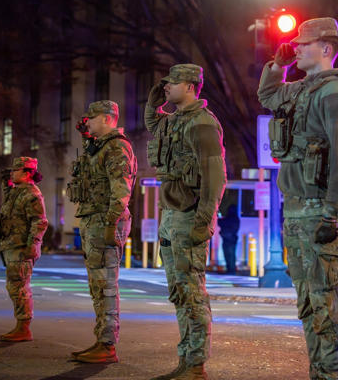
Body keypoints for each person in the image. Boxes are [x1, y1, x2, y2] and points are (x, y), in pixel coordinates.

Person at [257, 17, 338, 380]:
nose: (297, 48)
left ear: (326, 49)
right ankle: (319, 373)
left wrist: (332, 214)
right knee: (308, 304)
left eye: (304, 44)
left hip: (321, 213)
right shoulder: (300, 89)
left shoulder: (336, 95)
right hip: (298, 211)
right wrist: (277, 65)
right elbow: (267, 95)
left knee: (326, 306)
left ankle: (334, 375)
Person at [146, 64, 227, 380]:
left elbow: (215, 176)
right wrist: (154, 102)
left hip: (189, 214)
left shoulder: (202, 124)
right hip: (170, 215)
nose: (167, 87)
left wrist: (205, 220)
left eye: (173, 83)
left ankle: (195, 363)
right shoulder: (174, 121)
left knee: (191, 291)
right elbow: (153, 122)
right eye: (165, 83)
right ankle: (187, 358)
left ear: (192, 86)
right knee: (178, 289)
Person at [67, 100, 137, 363]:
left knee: (106, 284)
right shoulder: (99, 147)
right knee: (97, 284)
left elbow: (121, 192)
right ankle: (101, 340)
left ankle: (107, 344)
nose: (87, 122)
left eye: (91, 118)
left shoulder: (117, 147)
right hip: (93, 220)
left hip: (105, 222)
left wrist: (110, 224)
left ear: (107, 118)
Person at [0, 156, 48, 342]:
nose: (12, 173)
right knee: (14, 285)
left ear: (27, 173)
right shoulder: (17, 191)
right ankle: (21, 325)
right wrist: (5, 182)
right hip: (11, 244)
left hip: (21, 246)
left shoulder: (32, 194)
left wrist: (33, 245)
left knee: (19, 287)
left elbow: (39, 222)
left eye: (16, 170)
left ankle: (23, 327)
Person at [217, 204, 239, 274]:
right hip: (232, 239)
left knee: (228, 255)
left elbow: (220, 223)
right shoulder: (236, 219)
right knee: (231, 255)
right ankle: (231, 270)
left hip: (227, 239)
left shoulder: (229, 219)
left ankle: (231, 270)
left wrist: (220, 217)